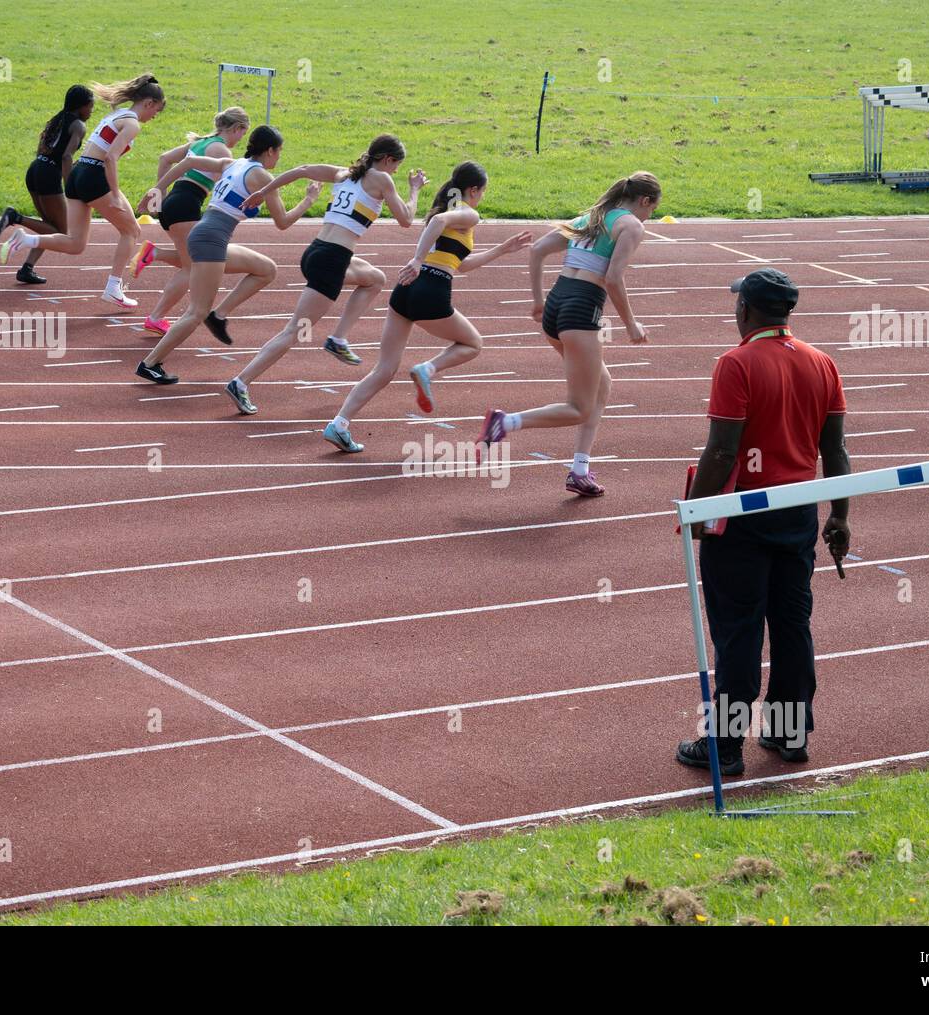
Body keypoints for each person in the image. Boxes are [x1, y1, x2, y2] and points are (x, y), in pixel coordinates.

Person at [675, 269, 851, 778]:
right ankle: (789, 734)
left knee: (738, 631)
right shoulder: (822, 362)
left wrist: (698, 511)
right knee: (792, 625)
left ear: (747, 311)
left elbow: (722, 448)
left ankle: (724, 748)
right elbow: (834, 448)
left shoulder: (737, 363)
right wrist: (839, 514)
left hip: (742, 513)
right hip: (799, 511)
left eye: (737, 305)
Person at [323, 161, 531, 452]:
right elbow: (437, 224)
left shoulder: (448, 211)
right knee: (472, 343)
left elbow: (462, 264)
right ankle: (427, 369)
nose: (482, 197)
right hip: (430, 290)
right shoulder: (468, 213)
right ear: (473, 190)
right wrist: (418, 260)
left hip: (405, 291)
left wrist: (502, 249)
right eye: (482, 192)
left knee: (384, 369)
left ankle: (339, 424)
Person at [476, 172, 661, 497]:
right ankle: (504, 423)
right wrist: (632, 324)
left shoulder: (591, 216)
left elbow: (537, 251)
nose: (649, 217)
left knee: (602, 384)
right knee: (579, 408)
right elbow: (614, 278)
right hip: (580, 309)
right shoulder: (631, 225)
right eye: (652, 209)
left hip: (557, 304)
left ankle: (579, 469)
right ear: (644, 201)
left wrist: (538, 301)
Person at [220, 134, 427, 415]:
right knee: (294, 330)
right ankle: (240, 382)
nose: (395, 172)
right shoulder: (382, 179)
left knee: (374, 278)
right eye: (396, 166)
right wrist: (414, 190)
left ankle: (338, 339)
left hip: (318, 252)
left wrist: (264, 189)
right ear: (388, 160)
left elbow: (302, 169)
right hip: (331, 260)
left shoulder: (343, 173)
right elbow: (406, 220)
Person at [133, 126, 322, 384]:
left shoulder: (231, 163)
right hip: (211, 239)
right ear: (269, 151)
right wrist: (309, 200)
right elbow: (283, 222)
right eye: (279, 152)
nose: (279, 158)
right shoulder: (263, 178)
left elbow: (186, 161)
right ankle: (150, 363)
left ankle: (219, 314)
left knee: (266, 269)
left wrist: (156, 192)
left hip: (207, 235)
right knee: (196, 311)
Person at [0, 74, 166, 311]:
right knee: (131, 230)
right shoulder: (132, 124)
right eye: (156, 110)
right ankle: (113, 288)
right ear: (148, 103)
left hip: (78, 173)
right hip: (93, 175)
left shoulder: (116, 114)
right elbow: (110, 158)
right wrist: (116, 193)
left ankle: (26, 239)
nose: (154, 116)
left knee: (76, 243)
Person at [129, 106, 252, 336]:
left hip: (175, 203)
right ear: (237, 128)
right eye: (242, 134)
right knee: (193, 268)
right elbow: (226, 188)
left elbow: (165, 158)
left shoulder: (200, 142)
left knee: (193, 259)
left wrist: (161, 195)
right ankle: (156, 317)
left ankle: (154, 254)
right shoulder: (222, 151)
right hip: (185, 205)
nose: (241, 140)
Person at [0, 85, 96, 286]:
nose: (91, 111)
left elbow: (51, 151)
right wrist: (70, 186)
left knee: (48, 226)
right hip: (48, 175)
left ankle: (27, 269)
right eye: (90, 107)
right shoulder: (79, 126)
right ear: (81, 106)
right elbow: (66, 157)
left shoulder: (57, 119)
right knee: (62, 232)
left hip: (36, 168)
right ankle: (15, 217)